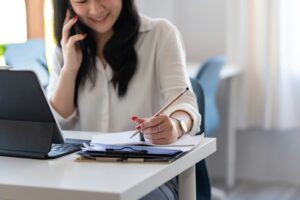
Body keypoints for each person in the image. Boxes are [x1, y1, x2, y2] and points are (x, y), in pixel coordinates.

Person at [48, 0, 201, 199]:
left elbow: (184, 101)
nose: (95, 9)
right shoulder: (66, 48)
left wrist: (175, 124)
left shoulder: (160, 34)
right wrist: (70, 69)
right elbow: (58, 124)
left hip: (149, 174)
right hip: (83, 175)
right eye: (82, 1)